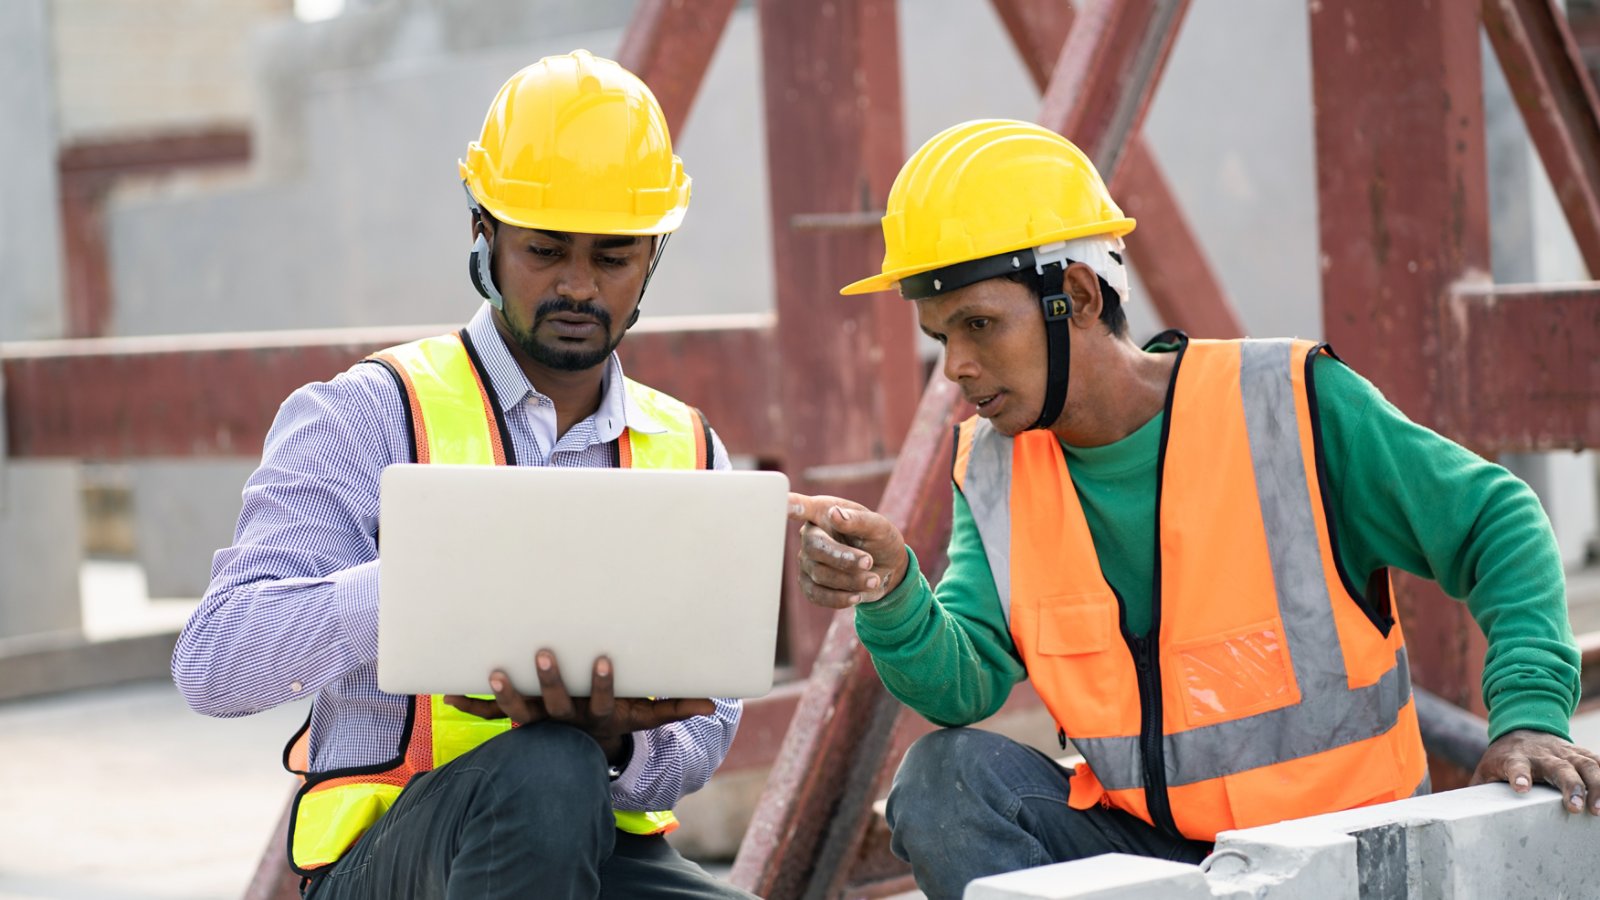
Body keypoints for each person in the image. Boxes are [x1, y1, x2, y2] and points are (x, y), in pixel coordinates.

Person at [788, 118, 1600, 899]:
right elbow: (962, 689)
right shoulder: (994, 468)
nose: (956, 367)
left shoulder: (1291, 406)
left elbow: (1497, 521)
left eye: (979, 325)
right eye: (940, 337)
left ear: (1076, 293)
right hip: (1153, 857)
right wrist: (893, 592)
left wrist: (1528, 716)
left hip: (1347, 852)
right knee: (942, 782)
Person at [173, 50, 754, 899]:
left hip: (597, 849)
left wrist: (616, 743)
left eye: (614, 257)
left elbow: (709, 731)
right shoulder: (364, 416)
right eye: (546, 250)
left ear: (654, 256)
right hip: (397, 864)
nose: (579, 286)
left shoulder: (690, 450)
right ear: (484, 236)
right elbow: (217, 661)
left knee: (566, 772)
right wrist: (421, 585)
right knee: (546, 772)